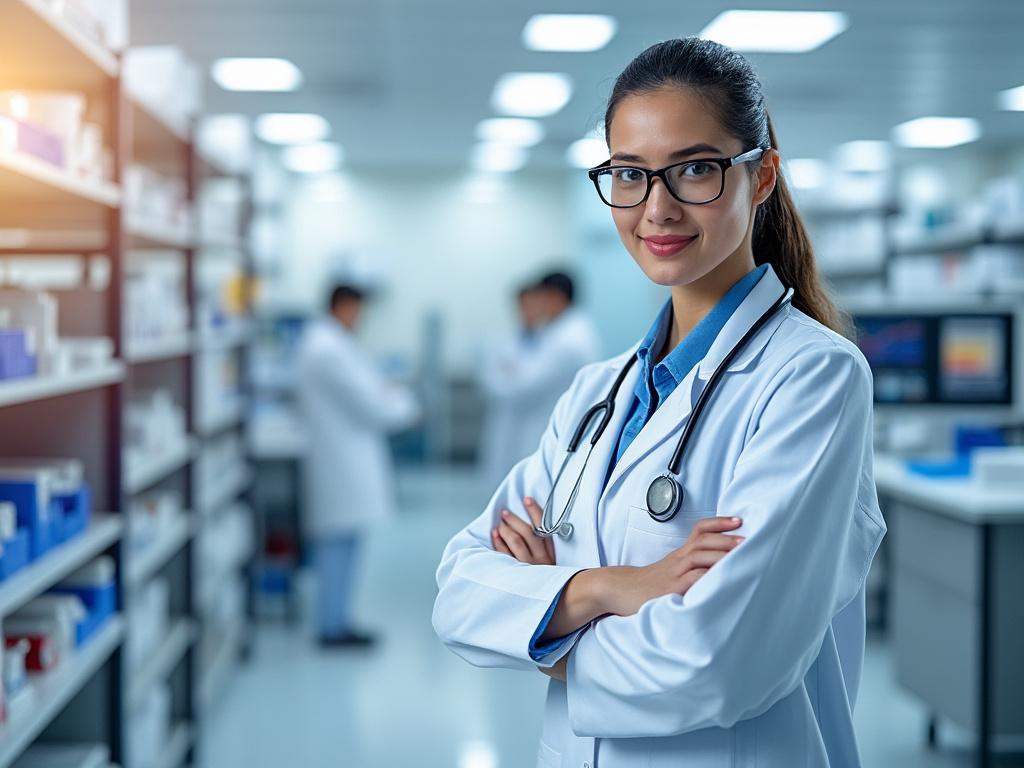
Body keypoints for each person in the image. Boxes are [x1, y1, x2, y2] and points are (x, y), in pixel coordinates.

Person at [433, 37, 885, 768]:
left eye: (695, 169)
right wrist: (613, 588)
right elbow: (459, 589)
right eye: (629, 174)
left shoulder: (813, 379)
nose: (657, 208)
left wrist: (541, 625)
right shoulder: (597, 393)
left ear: (762, 177)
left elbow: (717, 661)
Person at [296, 283, 418, 648]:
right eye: (358, 310)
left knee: (344, 543)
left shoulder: (331, 344)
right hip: (339, 462)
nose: (361, 319)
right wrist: (404, 404)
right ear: (343, 306)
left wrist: (388, 395)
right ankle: (331, 627)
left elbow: (373, 391)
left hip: (344, 459)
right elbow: (373, 404)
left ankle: (337, 622)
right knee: (335, 544)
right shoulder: (326, 349)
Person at [478, 271, 601, 486]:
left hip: (543, 431)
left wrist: (510, 374)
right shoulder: (557, 332)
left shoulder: (568, 341)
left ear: (555, 297)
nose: (538, 305)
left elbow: (519, 386)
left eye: (541, 297)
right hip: (535, 430)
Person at [477, 282, 546, 488]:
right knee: (501, 484)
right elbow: (491, 384)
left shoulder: (552, 342)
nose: (529, 311)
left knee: (533, 484)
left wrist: (513, 379)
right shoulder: (500, 343)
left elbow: (533, 384)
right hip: (505, 423)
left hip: (538, 423)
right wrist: (519, 384)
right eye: (524, 305)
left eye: (534, 304)